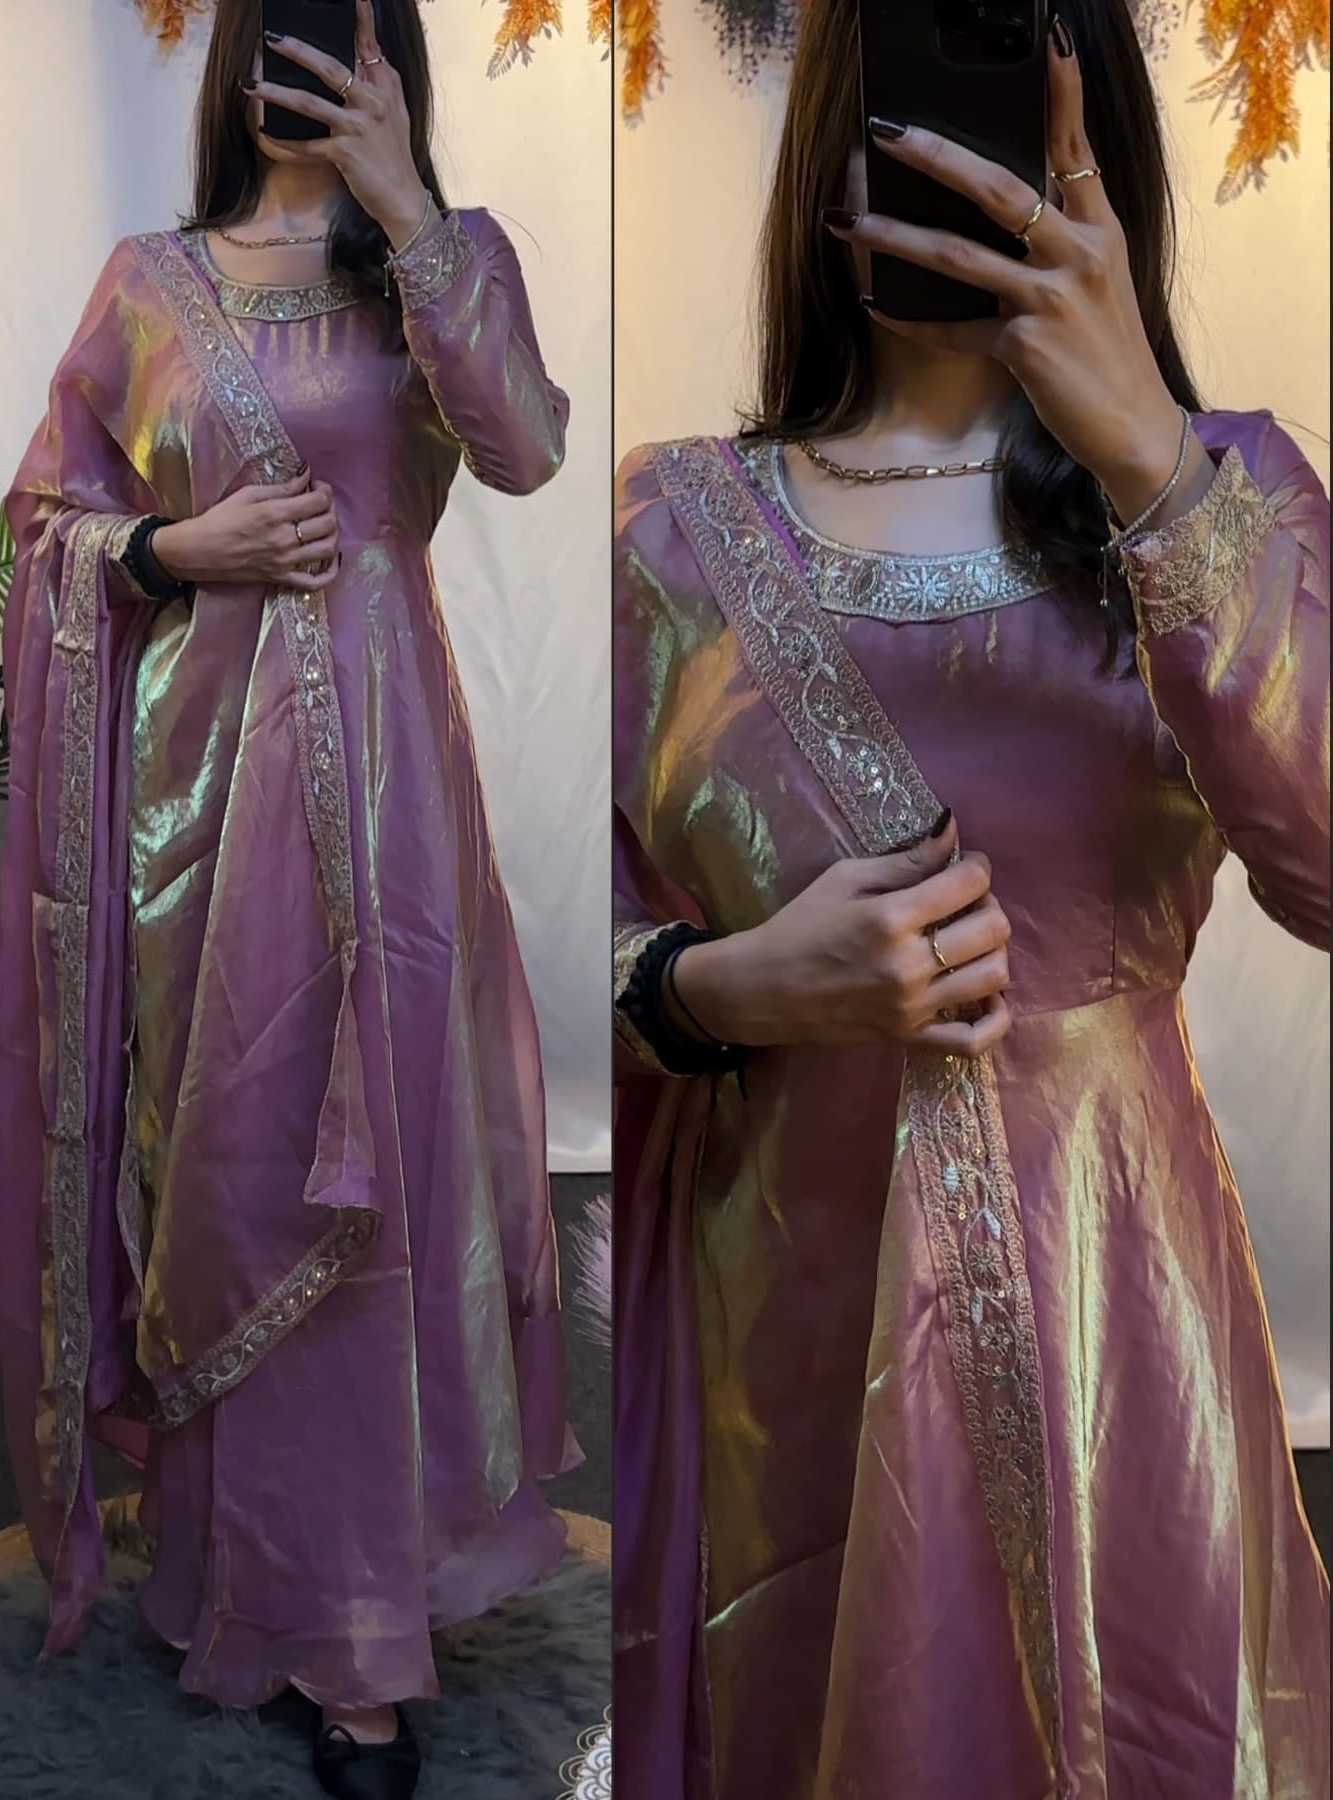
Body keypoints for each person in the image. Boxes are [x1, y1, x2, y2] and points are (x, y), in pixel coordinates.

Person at [611, 6, 1330, 1797]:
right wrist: (722, 988)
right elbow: (543, 959)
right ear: (836, 136)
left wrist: (1147, 459)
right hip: (790, 1327)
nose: (952, 159)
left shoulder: (1226, 495)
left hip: (1118, 1328)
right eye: (909, 108)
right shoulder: (674, 535)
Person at [0, 4, 579, 1795]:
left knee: (385, 1172)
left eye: (341, 44)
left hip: (392, 812)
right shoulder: (148, 285)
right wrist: (184, 546)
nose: (299, 74)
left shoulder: (439, 269)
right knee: (232, 1174)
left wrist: (410, 210)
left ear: (390, 66)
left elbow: (525, 445)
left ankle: (359, 1632)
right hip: (197, 827)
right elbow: (47, 524)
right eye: (276, 38)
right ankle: (229, 1572)